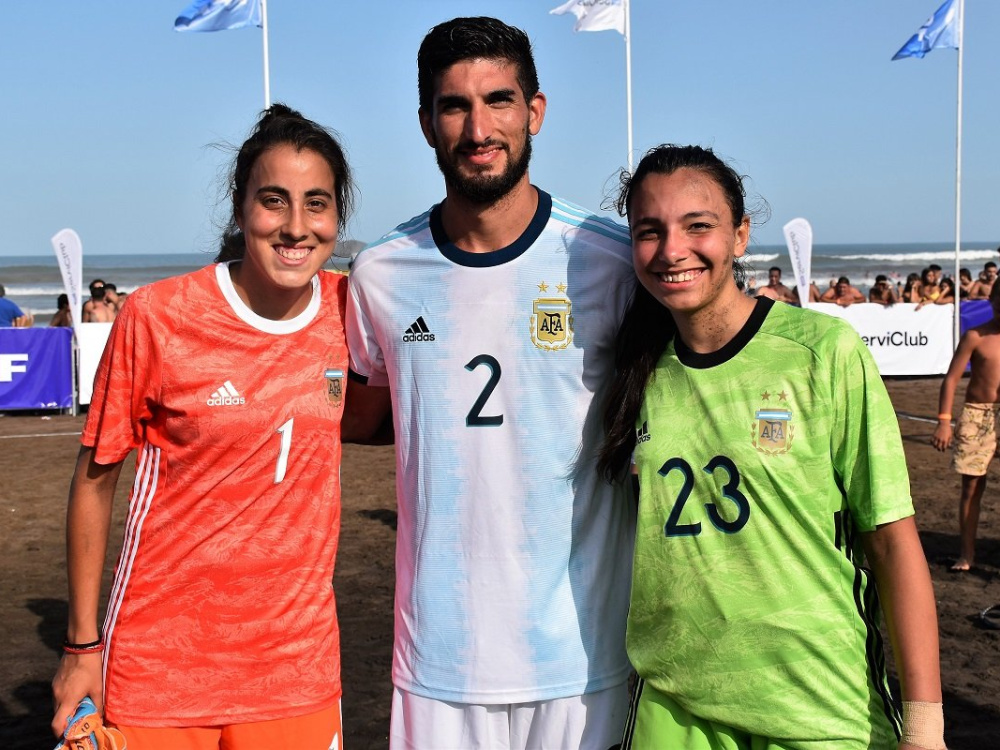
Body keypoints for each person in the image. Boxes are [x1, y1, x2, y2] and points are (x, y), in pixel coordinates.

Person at [343, 16, 635, 750]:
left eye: (499, 101)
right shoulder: (380, 274)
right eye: (454, 106)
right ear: (425, 124)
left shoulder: (610, 260)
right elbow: (367, 415)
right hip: (439, 661)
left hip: (580, 658)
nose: (479, 128)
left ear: (534, 111)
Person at [600, 144, 944, 750]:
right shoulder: (633, 372)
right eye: (649, 232)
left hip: (819, 708)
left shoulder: (823, 351)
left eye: (697, 225)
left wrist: (926, 727)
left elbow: (891, 542)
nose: (672, 250)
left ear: (740, 235)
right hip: (676, 706)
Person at [51, 104, 356, 750]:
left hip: (295, 678)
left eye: (316, 203)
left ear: (338, 217)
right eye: (273, 201)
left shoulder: (350, 311)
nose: (295, 226)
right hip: (159, 676)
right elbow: (94, 480)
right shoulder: (159, 317)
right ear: (241, 206)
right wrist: (82, 645)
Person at [931, 280, 1000, 572]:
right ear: (993, 300)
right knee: (971, 487)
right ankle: (967, 555)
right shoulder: (975, 336)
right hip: (976, 415)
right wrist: (944, 421)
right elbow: (951, 379)